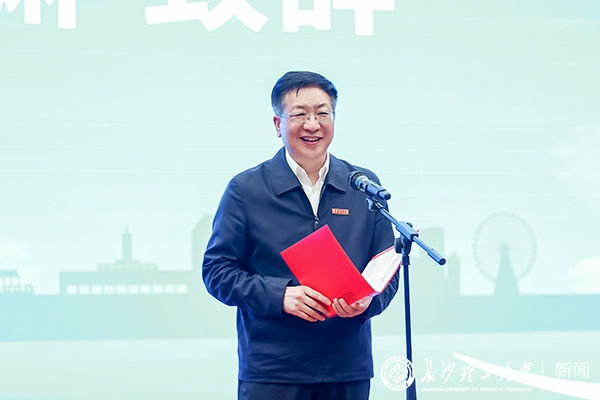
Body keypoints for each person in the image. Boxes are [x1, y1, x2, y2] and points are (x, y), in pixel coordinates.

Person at [202, 71, 399, 400]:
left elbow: (386, 268)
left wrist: (368, 301)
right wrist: (280, 296)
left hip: (347, 367)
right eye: (299, 114)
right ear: (277, 124)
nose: (312, 124)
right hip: (273, 371)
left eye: (323, 113)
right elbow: (217, 272)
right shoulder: (246, 189)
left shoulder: (363, 185)